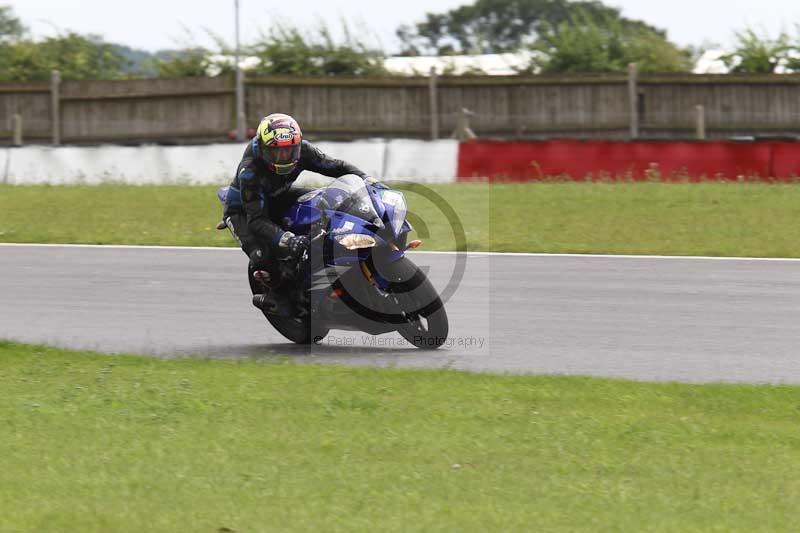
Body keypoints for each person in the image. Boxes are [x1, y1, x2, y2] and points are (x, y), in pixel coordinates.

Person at [220, 113, 371, 307]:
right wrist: (287, 239)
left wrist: (366, 179)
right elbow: (256, 219)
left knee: (322, 203)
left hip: (278, 195)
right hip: (243, 210)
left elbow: (335, 166)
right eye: (276, 152)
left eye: (289, 150)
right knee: (262, 255)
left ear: (298, 145)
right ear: (263, 149)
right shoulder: (250, 171)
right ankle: (277, 297)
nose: (283, 157)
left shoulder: (304, 150)